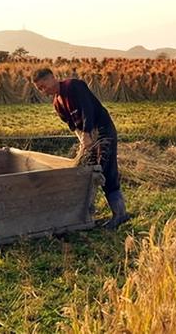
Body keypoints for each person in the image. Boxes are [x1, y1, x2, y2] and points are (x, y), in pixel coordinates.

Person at [32, 68, 130, 230]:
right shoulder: (57, 103)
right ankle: (83, 215)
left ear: (52, 78)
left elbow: (87, 111)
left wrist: (87, 134)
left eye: (44, 86)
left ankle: (120, 214)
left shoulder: (73, 86)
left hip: (102, 129)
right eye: (39, 89)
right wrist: (83, 142)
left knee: (103, 169)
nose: (43, 91)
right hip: (88, 136)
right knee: (87, 171)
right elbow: (73, 126)